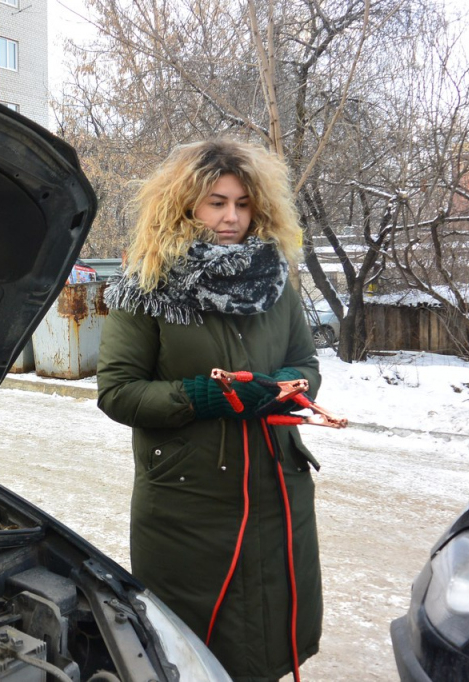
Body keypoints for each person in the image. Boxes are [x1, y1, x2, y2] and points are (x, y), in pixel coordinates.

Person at [96, 137, 322, 682]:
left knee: (270, 636)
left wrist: (286, 388)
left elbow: (305, 362)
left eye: (243, 204)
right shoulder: (147, 283)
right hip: (188, 499)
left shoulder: (274, 279)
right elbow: (117, 390)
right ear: (184, 204)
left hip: (276, 487)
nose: (231, 217)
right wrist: (203, 396)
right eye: (217, 202)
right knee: (193, 649)